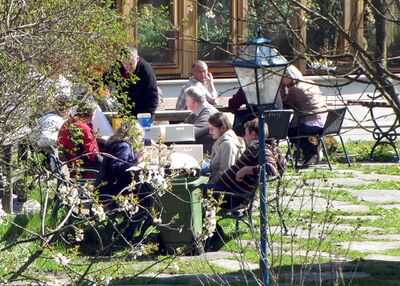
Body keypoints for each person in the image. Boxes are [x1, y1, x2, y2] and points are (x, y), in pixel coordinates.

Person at [207, 118, 286, 208]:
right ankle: (207, 221)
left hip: (231, 196)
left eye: (245, 134)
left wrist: (246, 170)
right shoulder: (269, 148)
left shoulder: (260, 149)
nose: (244, 137)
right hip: (230, 192)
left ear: (253, 135)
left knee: (193, 192)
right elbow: (283, 164)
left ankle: (202, 221)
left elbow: (271, 169)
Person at [280, 65, 327, 167]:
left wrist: (281, 87)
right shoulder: (310, 83)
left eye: (282, 78)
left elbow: (283, 101)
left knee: (290, 132)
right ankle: (313, 151)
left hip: (311, 123)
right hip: (325, 122)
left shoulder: (295, 89)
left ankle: (311, 154)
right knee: (297, 129)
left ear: (289, 77)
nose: (281, 80)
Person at [95, 120, 152, 196]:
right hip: (113, 189)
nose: (140, 139)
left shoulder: (116, 142)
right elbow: (117, 168)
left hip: (105, 186)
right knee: (146, 189)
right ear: (134, 135)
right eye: (139, 135)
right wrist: (136, 160)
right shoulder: (123, 146)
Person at [106, 47, 159, 118]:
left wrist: (146, 118)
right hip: (124, 110)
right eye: (125, 63)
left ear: (137, 58)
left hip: (143, 111)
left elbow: (152, 98)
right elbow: (105, 79)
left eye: (131, 63)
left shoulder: (146, 71)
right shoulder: (117, 66)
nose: (128, 67)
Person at [57, 102, 102, 177]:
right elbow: (93, 155)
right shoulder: (84, 128)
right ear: (91, 116)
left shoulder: (66, 123)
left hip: (67, 167)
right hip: (82, 171)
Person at [206, 112, 245, 183]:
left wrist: (210, 184)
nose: (209, 132)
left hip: (225, 185)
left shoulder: (228, 144)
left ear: (222, 128)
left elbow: (225, 173)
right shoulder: (221, 140)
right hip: (217, 178)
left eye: (212, 129)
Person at [183, 86, 218, 154]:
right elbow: (184, 126)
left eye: (186, 101)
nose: (185, 103)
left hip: (209, 156)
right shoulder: (198, 112)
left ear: (194, 102)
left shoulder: (208, 115)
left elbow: (190, 134)